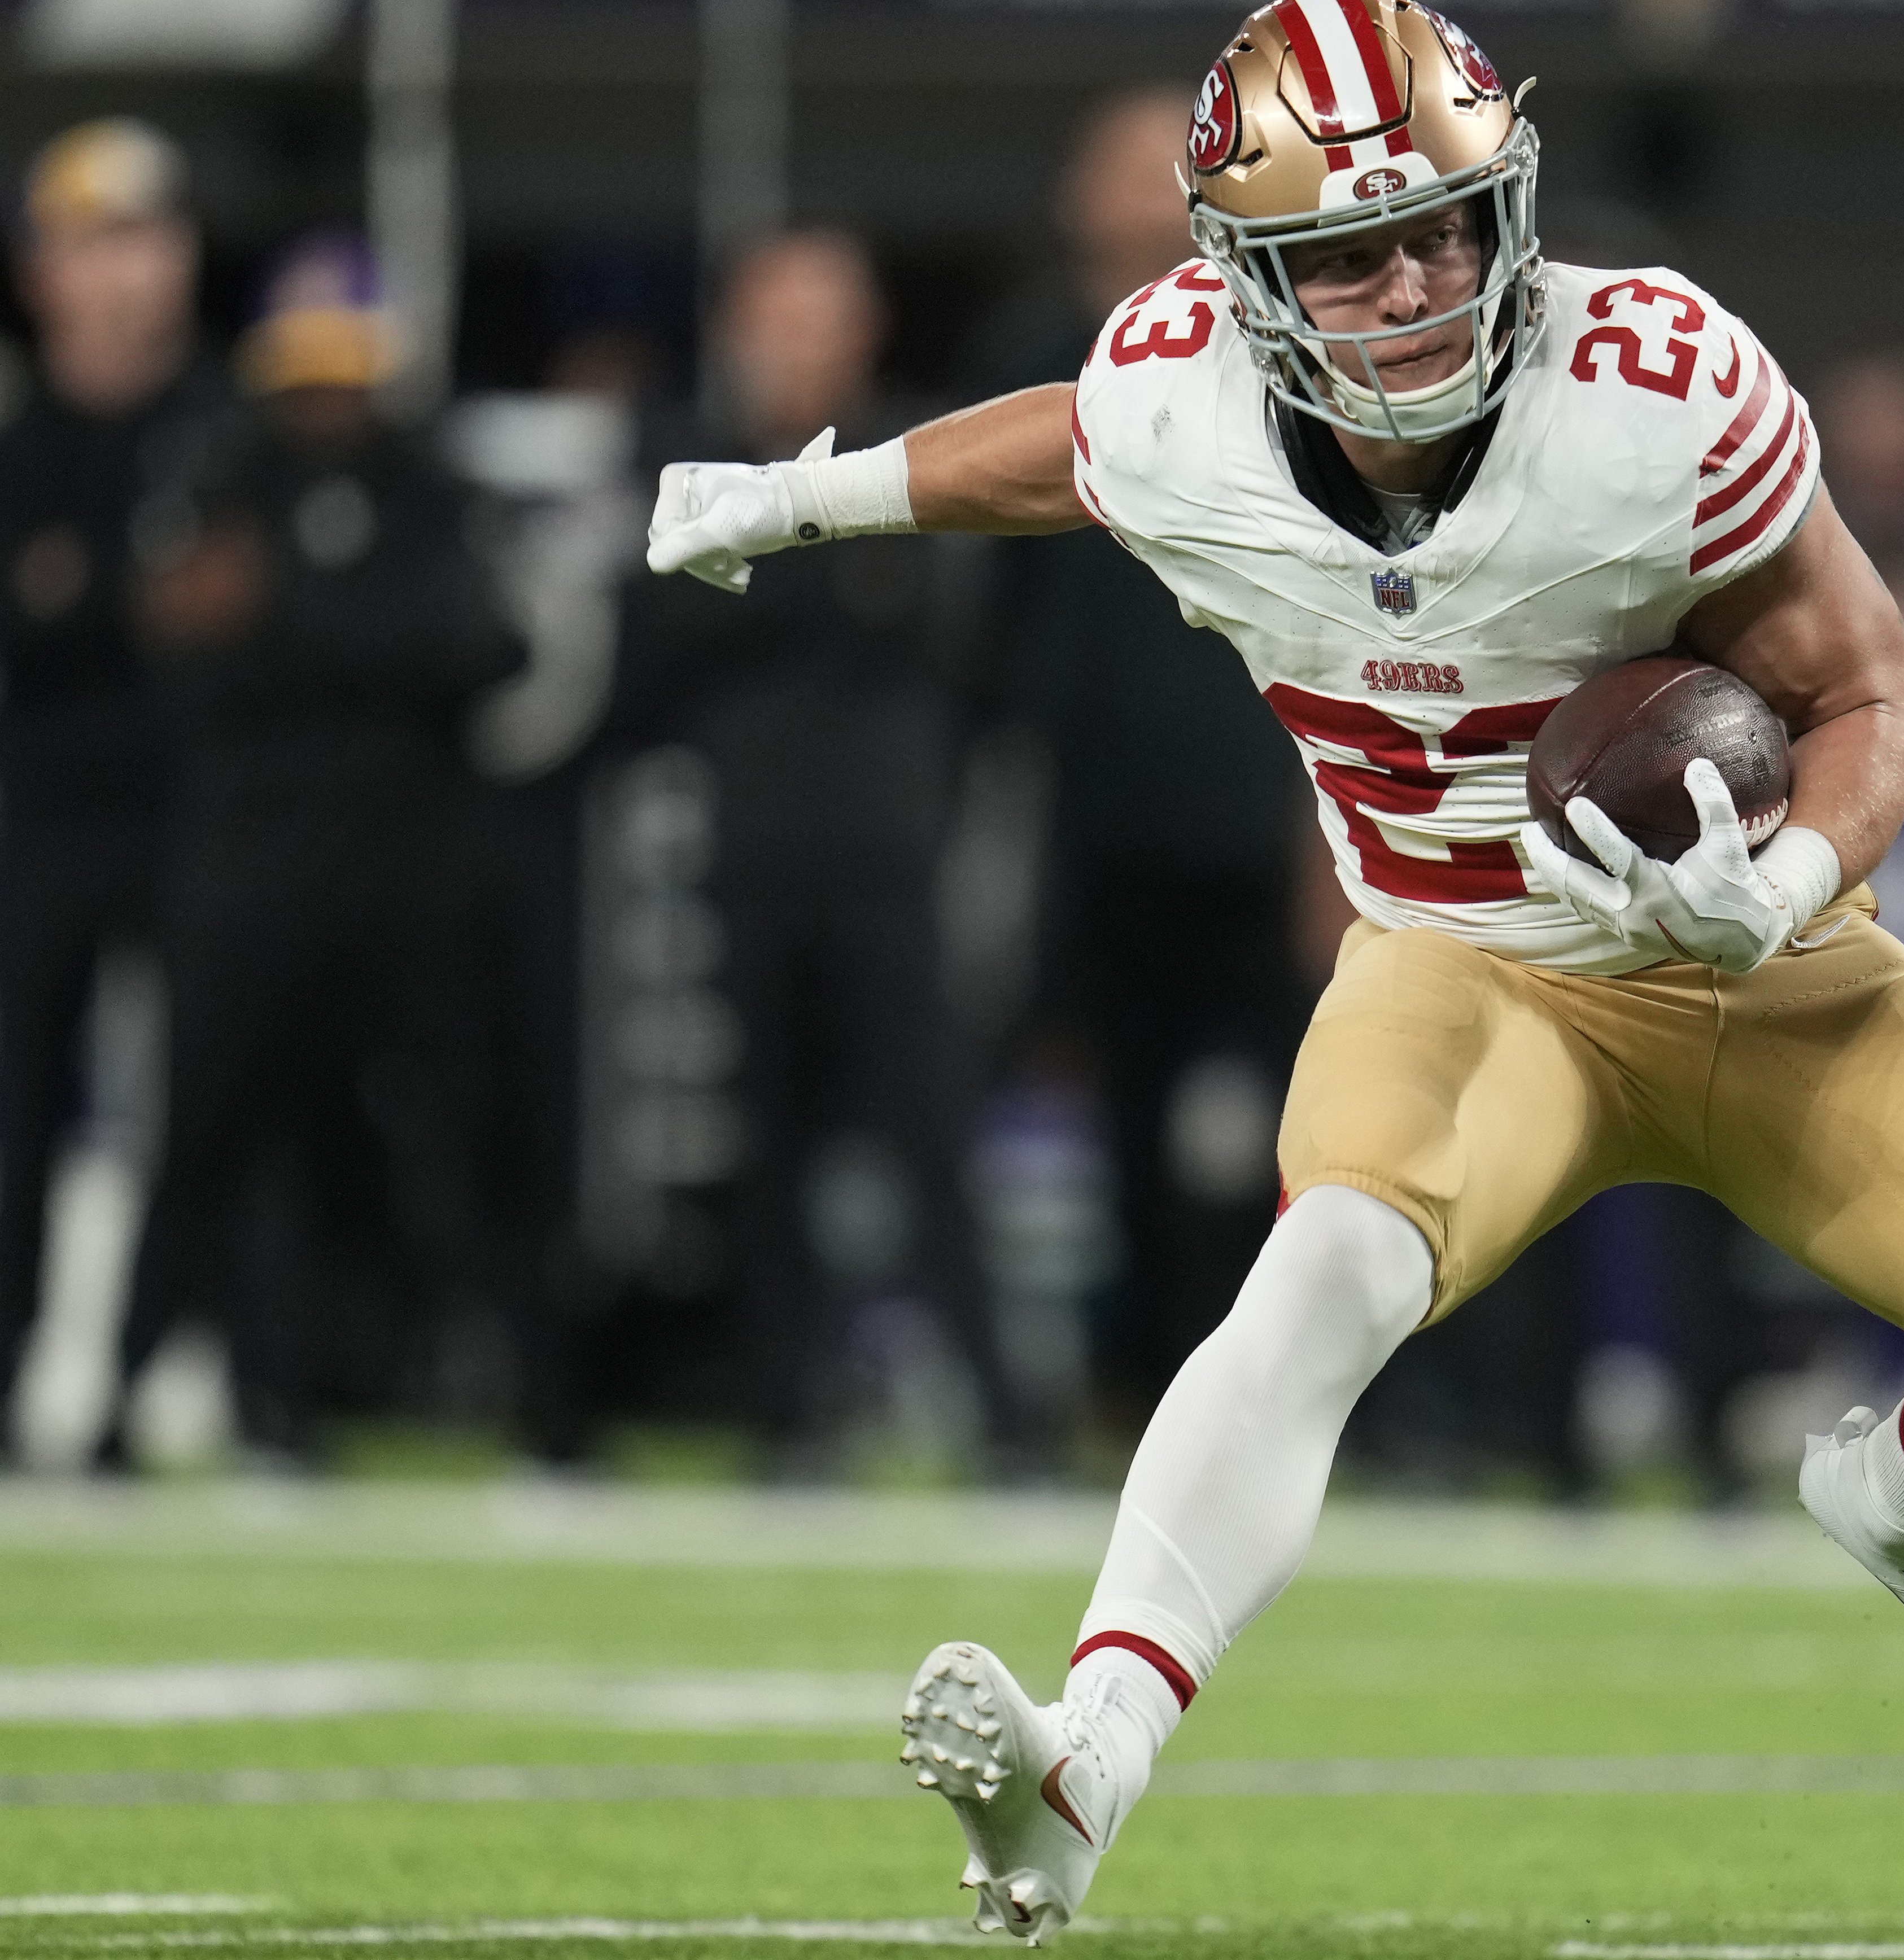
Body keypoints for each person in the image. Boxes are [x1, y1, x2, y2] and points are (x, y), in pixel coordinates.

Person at [648, 0, 1904, 1943]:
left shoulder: (1651, 388)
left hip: (1757, 964)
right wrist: (807, 496)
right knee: (1319, 1283)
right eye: (1355, 251)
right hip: (1465, 967)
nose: (1423, 279)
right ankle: (1089, 1765)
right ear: (1244, 279)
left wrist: (1790, 871)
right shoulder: (1181, 398)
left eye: (1451, 224)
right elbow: (1057, 452)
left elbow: (1871, 687)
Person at [97, 234, 524, 1465]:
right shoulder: (222, 473)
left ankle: (546, 1411)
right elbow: (178, 653)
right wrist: (358, 640)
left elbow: (480, 648)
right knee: (209, 1138)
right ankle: (133, 1406)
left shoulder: (433, 483)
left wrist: (294, 622)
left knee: (457, 1132)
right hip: (248, 865)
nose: (328, 398)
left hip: (403, 867)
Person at [613, 228, 1030, 1475]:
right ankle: (786, 1410)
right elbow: (653, 653)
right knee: (768, 1140)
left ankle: (1001, 1415)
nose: (799, 344)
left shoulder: (912, 465)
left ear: (865, 331)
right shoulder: (687, 465)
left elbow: (967, 656)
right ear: (738, 329)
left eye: (822, 316)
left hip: (890, 859)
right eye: (776, 317)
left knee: (927, 1136)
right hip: (753, 855)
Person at [961, 88, 1318, 1427]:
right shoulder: (1029, 357)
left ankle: (1341, 1406)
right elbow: (987, 623)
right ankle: (1135, 1382)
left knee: (1321, 1129)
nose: (1145, 198)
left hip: (1275, 812)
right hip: (1090, 818)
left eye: (1168, 170)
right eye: (1119, 170)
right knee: (1115, 1123)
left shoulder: (1281, 360)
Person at [0, 120, 228, 1461]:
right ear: (44, 271)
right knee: (21, 1106)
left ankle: (192, 1385)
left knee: (210, 1106)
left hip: (199, 812)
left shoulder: (222, 430)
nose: (125, 272)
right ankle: (23, 1378)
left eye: (144, 237)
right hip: (42, 814)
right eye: (95, 243)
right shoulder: (25, 442)